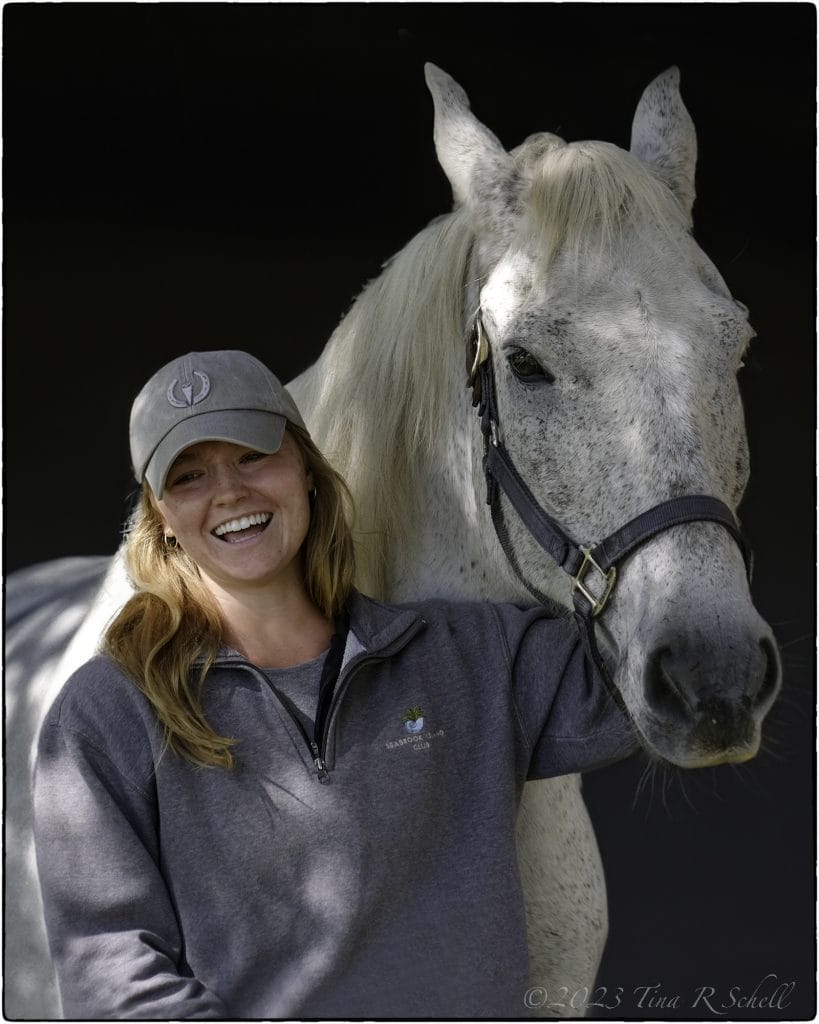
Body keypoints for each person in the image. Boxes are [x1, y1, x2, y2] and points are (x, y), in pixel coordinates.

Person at [33, 349, 637, 1020]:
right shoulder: (108, 712)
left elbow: (668, 673)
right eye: (190, 475)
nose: (229, 492)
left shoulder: (473, 658)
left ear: (306, 470)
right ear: (162, 517)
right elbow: (111, 977)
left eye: (252, 455)